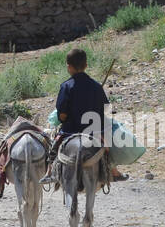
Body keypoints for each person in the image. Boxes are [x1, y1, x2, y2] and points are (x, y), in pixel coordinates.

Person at [48, 48, 127, 182]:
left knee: (54, 149)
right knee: (106, 149)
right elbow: (106, 110)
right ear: (86, 66)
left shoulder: (66, 86)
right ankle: (113, 171)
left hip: (70, 131)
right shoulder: (96, 86)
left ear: (69, 67)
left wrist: (66, 119)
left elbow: (62, 115)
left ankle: (50, 173)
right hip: (94, 132)